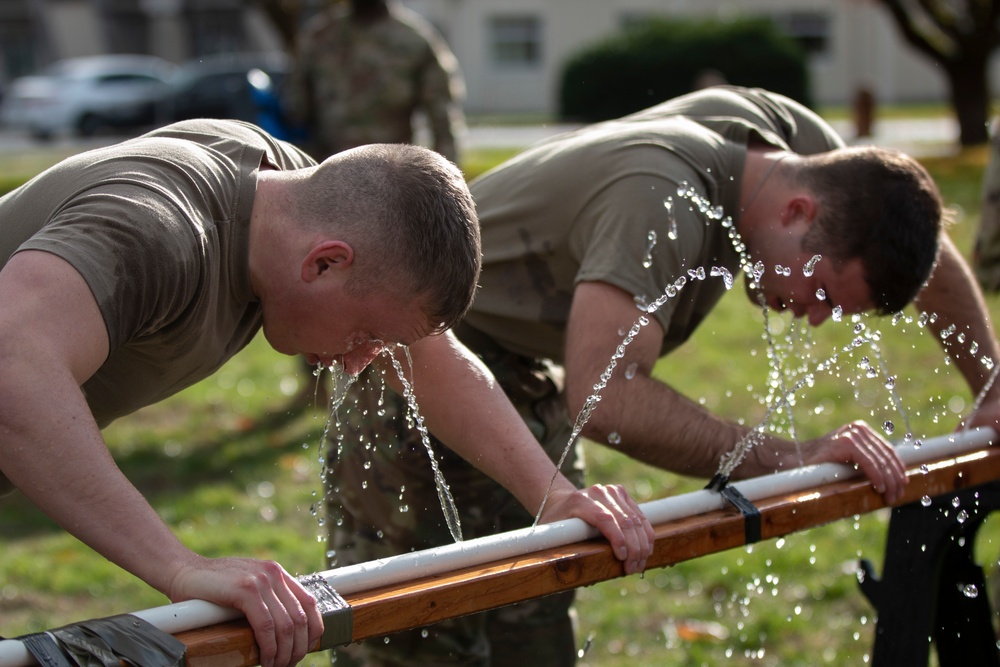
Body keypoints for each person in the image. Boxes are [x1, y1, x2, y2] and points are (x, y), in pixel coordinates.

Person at [329, 85, 1000, 666]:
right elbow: (605, 397)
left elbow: (921, 245)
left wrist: (994, 386)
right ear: (799, 212)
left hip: (523, 376)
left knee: (534, 628)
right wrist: (790, 459)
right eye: (823, 290)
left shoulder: (797, 156)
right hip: (411, 374)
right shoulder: (665, 198)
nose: (816, 320)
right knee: (417, 643)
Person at [0, 118, 654, 667]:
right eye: (367, 332)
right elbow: (11, 365)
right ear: (325, 262)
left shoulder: (292, 194)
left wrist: (555, 495)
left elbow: (432, 362)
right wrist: (180, 567)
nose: (362, 361)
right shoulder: (159, 223)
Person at [283, 0, 463, 164]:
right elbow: (295, 111)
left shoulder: (415, 41)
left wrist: (442, 187)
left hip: (393, 178)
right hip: (323, 174)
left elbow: (444, 126)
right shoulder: (319, 38)